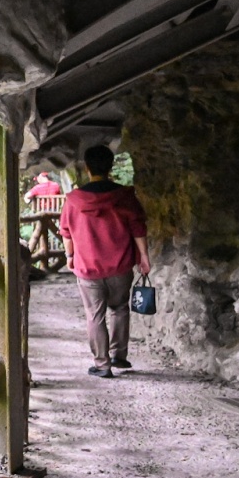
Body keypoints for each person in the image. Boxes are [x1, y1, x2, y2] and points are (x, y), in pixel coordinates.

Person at [59, 146, 150, 378]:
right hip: (120, 266)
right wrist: (144, 257)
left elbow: (66, 232)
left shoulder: (73, 200)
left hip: (87, 268)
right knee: (120, 308)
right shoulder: (125, 197)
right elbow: (138, 228)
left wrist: (70, 257)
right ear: (111, 167)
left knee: (95, 315)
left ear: (87, 168)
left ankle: (102, 364)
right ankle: (119, 355)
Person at [24, 171, 63, 260]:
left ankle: (39, 255)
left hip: (42, 215)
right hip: (55, 214)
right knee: (55, 233)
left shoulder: (38, 188)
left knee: (41, 230)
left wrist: (29, 200)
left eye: (37, 178)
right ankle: (58, 256)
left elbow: (27, 197)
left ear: (41, 177)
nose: (37, 181)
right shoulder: (56, 185)